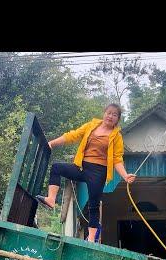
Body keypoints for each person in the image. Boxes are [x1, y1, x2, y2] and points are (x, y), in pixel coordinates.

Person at [35, 103, 136, 242]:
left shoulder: (116, 136)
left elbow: (117, 159)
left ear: (118, 119)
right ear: (104, 113)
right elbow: (73, 135)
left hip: (99, 172)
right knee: (57, 168)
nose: (110, 116)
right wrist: (52, 143)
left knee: (93, 204)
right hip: (81, 167)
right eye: (109, 113)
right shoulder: (91, 125)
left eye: (115, 115)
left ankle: (92, 237)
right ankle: (51, 199)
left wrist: (125, 175)